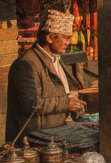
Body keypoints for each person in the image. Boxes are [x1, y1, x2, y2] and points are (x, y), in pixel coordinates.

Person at [6, 9, 85, 142]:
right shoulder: (26, 64)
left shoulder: (57, 61)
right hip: (32, 142)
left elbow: (58, 96)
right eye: (65, 38)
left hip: (52, 138)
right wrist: (66, 103)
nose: (69, 42)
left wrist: (74, 105)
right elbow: (31, 105)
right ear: (50, 38)